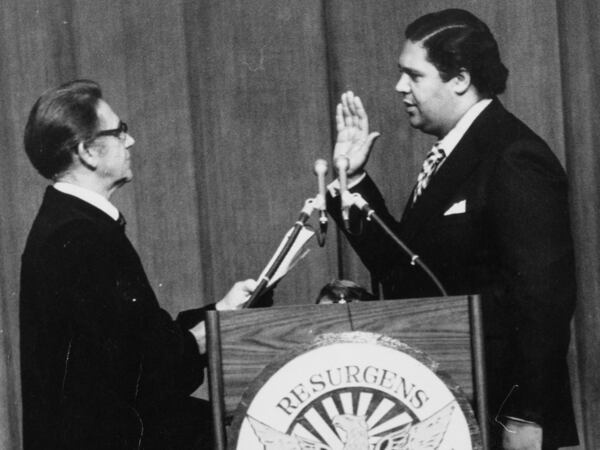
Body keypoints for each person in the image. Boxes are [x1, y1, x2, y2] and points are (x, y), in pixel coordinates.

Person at [327, 9, 577, 450]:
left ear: (459, 79)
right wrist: (352, 184)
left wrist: (524, 417)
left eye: (413, 76)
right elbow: (410, 276)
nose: (399, 87)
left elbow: (544, 301)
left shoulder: (513, 156)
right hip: (446, 407)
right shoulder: (456, 155)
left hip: (501, 418)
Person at [20, 79, 256, 450]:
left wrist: (221, 313)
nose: (130, 142)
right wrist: (206, 335)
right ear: (88, 152)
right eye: (119, 132)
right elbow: (142, 372)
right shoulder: (82, 236)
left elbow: (138, 339)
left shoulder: (71, 223)